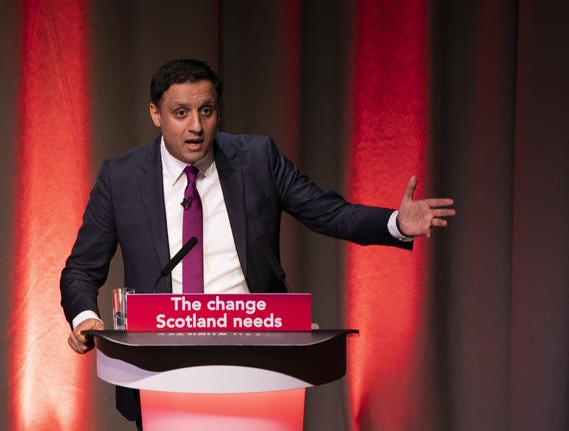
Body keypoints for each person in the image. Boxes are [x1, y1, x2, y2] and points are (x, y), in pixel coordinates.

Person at [60, 58, 455, 428]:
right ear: (155, 114)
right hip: (161, 368)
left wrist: (395, 222)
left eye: (207, 111)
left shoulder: (258, 159)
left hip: (256, 361)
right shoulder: (121, 177)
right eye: (180, 113)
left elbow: (329, 212)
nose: (195, 126)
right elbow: (81, 268)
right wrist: (85, 319)